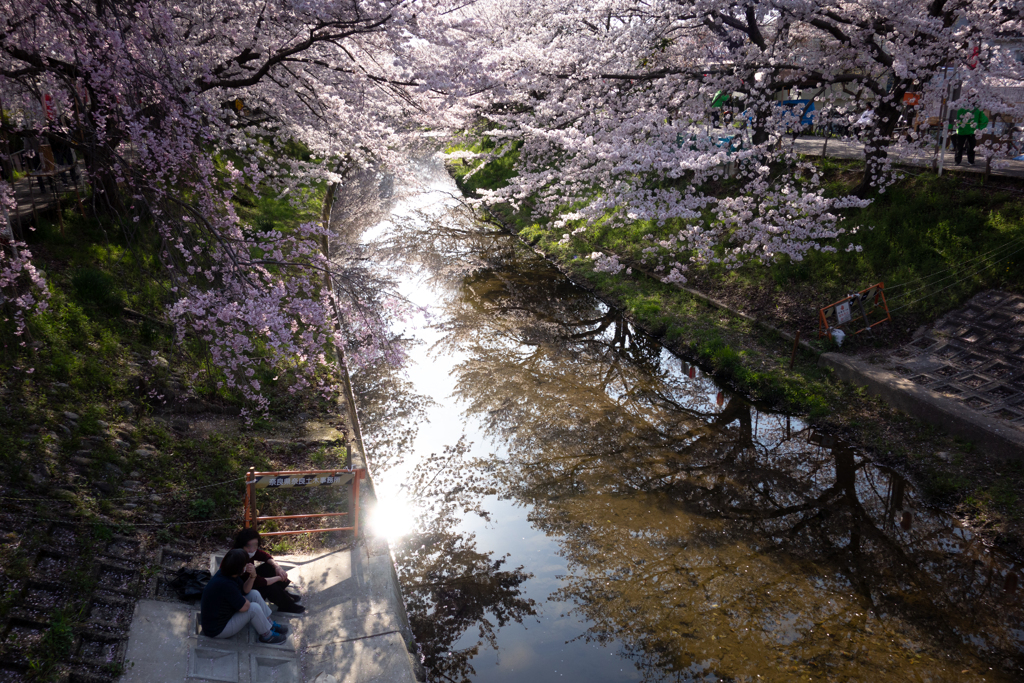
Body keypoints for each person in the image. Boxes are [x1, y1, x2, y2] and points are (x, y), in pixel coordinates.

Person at [200, 548, 290, 643]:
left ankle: (269, 624)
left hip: (223, 616)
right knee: (253, 608)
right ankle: (267, 636)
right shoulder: (226, 584)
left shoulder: (227, 573)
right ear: (239, 568)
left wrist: (253, 576)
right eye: (245, 564)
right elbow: (245, 607)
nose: (247, 565)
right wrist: (243, 600)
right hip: (217, 630)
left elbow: (245, 590)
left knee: (254, 593)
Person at [232, 528, 305, 613]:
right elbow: (258, 581)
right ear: (242, 545)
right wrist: (278, 578)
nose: (253, 549)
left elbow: (265, 556)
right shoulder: (238, 559)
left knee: (269, 567)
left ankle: (283, 593)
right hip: (243, 592)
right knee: (269, 586)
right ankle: (286, 605)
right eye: (249, 546)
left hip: (249, 581)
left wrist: (277, 567)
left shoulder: (248, 552)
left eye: (255, 545)